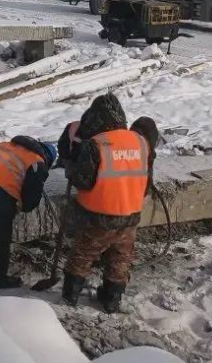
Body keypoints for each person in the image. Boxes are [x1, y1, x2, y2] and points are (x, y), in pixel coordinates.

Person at [61, 93, 149, 313]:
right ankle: (111, 300)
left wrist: (71, 168)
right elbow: (145, 180)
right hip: (130, 215)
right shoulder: (140, 141)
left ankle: (70, 297)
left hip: (98, 216)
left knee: (82, 255)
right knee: (120, 259)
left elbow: (83, 181)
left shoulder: (96, 144)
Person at [0, 136, 57, 290]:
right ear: (48, 157)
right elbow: (31, 196)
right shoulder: (36, 161)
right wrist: (24, 207)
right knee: (1, 239)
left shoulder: (10, 145)